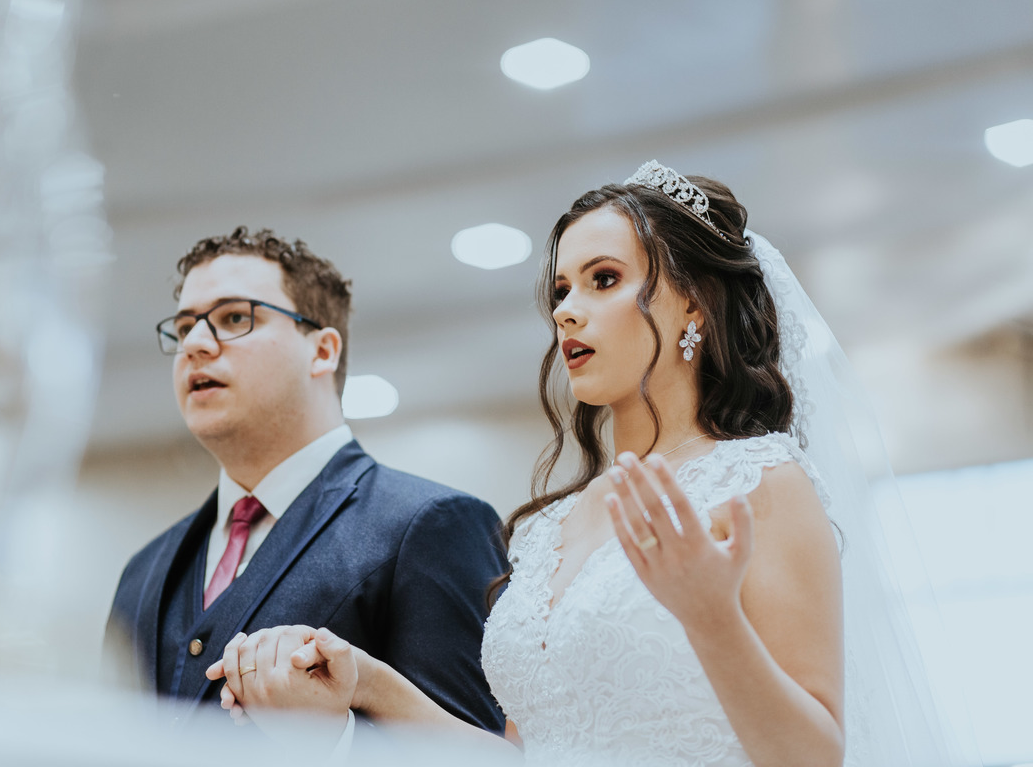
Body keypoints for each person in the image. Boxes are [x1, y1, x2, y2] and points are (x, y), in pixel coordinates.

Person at [208, 164, 969, 766]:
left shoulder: (763, 483)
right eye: (561, 289)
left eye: (604, 279)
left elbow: (815, 757)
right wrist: (369, 684)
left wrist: (711, 616)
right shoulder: (551, 527)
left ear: (694, 304)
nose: (566, 310)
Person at [103, 227, 507, 741]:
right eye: (185, 328)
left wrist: (333, 742)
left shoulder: (432, 525)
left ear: (322, 351)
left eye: (234, 318)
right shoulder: (142, 571)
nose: (196, 345)